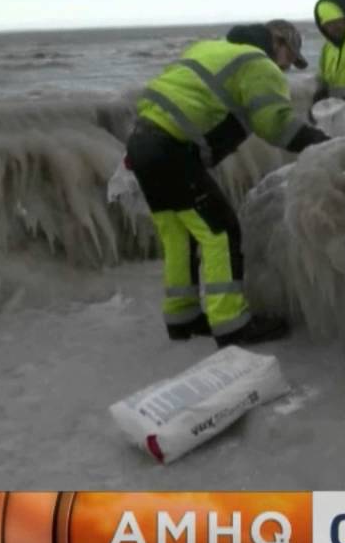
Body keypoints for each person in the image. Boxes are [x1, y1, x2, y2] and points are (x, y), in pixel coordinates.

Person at [125, 20, 330, 347]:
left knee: (178, 232)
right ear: (278, 42)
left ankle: (182, 317)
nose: (286, 68)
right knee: (221, 230)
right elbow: (275, 124)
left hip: (141, 142)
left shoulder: (209, 49)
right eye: (289, 59)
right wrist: (323, 143)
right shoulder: (257, 63)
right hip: (173, 148)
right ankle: (231, 325)